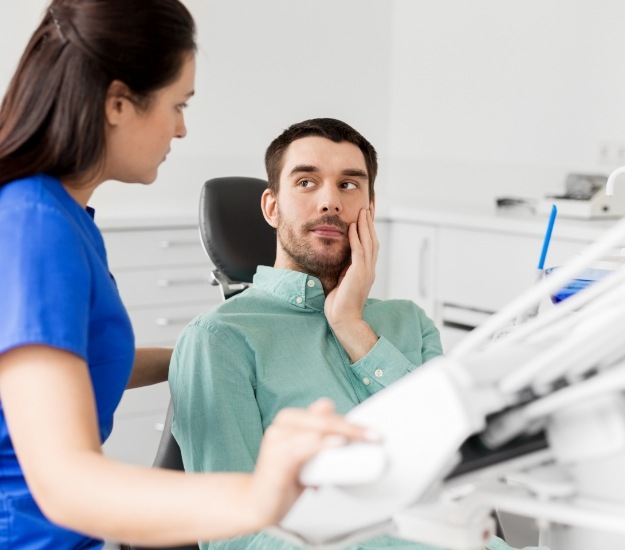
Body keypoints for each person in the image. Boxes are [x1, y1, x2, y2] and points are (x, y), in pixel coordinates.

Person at [0, 5, 372, 549]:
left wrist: (219, 350)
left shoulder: (64, 218)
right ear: (118, 104)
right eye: (178, 104)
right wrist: (258, 496)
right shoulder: (36, 227)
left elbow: (67, 369)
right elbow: (64, 485)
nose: (182, 126)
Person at [169, 118, 446, 550]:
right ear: (271, 206)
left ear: (370, 208)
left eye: (349, 185)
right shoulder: (219, 340)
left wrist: (352, 328)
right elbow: (234, 539)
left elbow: (454, 460)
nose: (330, 202)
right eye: (306, 182)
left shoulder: (411, 322)